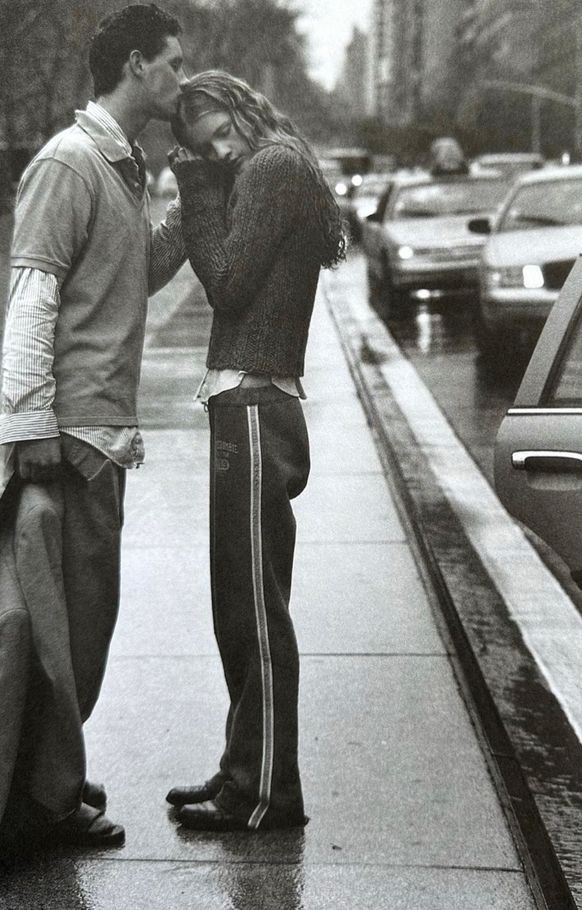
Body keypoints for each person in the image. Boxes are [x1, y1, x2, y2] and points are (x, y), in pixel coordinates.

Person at [0, 3, 188, 848]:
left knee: (82, 622)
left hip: (95, 433)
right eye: (174, 65)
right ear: (138, 65)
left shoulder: (121, 168)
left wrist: (201, 199)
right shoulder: (70, 165)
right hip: (68, 436)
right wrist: (28, 423)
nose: (181, 80)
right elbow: (32, 299)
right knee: (60, 629)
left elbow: (129, 275)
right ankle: (41, 804)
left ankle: (50, 778)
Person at [164, 71, 345, 832]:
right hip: (249, 401)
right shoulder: (276, 165)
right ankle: (246, 768)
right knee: (239, 601)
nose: (214, 144)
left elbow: (229, 283)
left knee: (254, 610)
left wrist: (198, 187)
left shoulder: (270, 167)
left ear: (241, 105)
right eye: (201, 140)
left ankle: (267, 791)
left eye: (217, 126)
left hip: (254, 403)